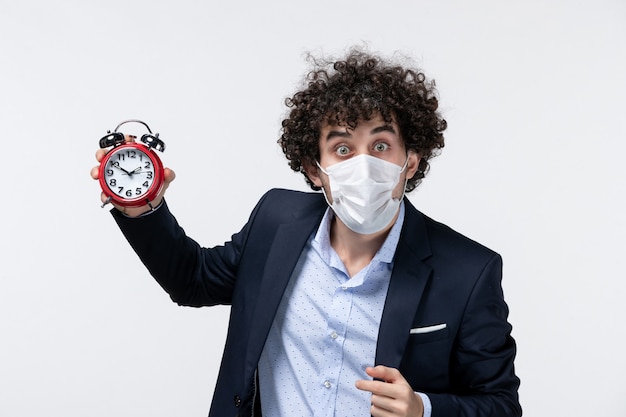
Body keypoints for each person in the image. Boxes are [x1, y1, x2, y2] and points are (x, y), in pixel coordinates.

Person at [91, 48, 521, 417]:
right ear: (315, 170)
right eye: (342, 148)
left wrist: (423, 408)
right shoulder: (276, 221)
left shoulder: (469, 271)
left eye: (381, 145)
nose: (364, 163)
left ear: (410, 161)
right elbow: (193, 280)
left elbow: (500, 405)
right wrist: (141, 208)